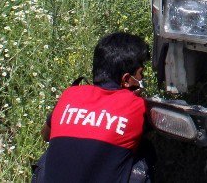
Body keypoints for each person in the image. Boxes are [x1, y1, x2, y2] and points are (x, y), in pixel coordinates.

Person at [34, 32, 152, 183]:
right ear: (127, 80)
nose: (142, 79)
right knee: (145, 150)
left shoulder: (70, 95)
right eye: (141, 73)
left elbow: (45, 135)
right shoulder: (136, 105)